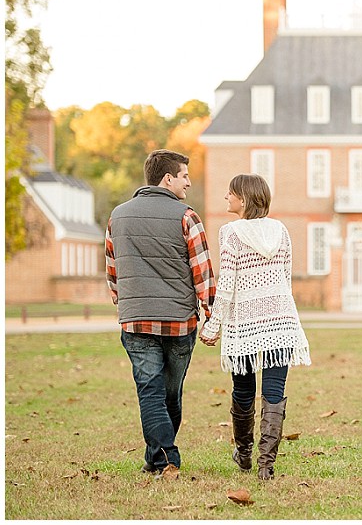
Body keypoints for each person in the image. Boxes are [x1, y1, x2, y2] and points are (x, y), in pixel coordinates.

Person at [105, 149, 215, 476]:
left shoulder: (118, 216)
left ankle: (156, 459)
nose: (189, 183)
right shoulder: (187, 217)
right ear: (168, 178)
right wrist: (210, 313)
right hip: (179, 323)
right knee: (169, 394)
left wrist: (122, 299)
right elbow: (203, 272)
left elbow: (113, 271)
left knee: (152, 392)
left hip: (135, 319)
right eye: (184, 176)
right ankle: (167, 459)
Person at [199, 173, 311, 480]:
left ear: (244, 199)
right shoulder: (281, 230)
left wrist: (213, 325)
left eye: (231, 193)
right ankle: (266, 466)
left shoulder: (231, 232)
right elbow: (285, 278)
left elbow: (227, 285)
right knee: (274, 391)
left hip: (246, 324)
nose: (226, 197)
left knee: (244, 389)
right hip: (281, 321)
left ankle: (245, 454)